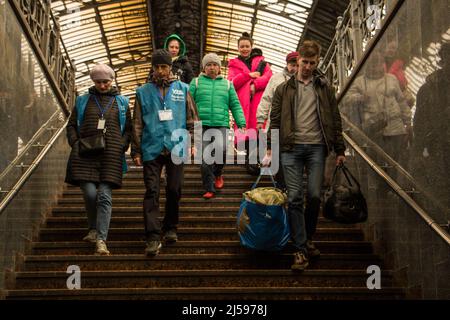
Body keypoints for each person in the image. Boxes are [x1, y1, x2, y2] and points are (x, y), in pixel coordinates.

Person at [265, 40, 346, 271]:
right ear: (297, 60)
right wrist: (271, 148)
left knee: (314, 196)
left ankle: (308, 237)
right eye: (304, 62)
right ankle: (300, 249)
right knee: (294, 198)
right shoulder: (284, 89)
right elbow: (276, 120)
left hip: (317, 148)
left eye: (312, 62)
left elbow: (335, 119)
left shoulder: (325, 88)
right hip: (291, 149)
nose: (308, 66)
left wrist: (340, 149)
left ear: (317, 61)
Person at [132, 49, 199, 256]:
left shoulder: (183, 88)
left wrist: (193, 142)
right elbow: (136, 123)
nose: (161, 71)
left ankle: (170, 227)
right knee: (152, 191)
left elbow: (192, 118)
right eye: (157, 67)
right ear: (152, 68)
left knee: (174, 189)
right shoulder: (142, 91)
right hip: (151, 147)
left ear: (170, 67)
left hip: (176, 145)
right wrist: (136, 149)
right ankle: (152, 237)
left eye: (164, 66)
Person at [65, 64, 132, 255]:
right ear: (93, 81)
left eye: (106, 82)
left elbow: (128, 128)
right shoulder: (83, 101)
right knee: (89, 193)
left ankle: (101, 239)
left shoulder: (122, 102)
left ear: (112, 81)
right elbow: (71, 125)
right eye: (98, 82)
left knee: (104, 196)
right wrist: (75, 142)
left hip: (110, 155)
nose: (102, 85)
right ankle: (93, 228)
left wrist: (122, 144)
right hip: (85, 154)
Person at [189, 53, 246, 199]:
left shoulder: (227, 84)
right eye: (208, 65)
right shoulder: (196, 83)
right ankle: (209, 188)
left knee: (222, 150)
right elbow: (188, 105)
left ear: (219, 68)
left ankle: (218, 173)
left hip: (221, 124)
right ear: (204, 67)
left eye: (215, 65)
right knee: (205, 160)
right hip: (201, 125)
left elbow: (235, 104)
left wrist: (241, 122)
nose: (212, 67)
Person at [345, 51, 412, 163]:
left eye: (379, 64)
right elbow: (347, 98)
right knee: (378, 163)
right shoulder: (359, 82)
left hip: (396, 128)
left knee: (398, 163)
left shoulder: (391, 79)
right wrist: (360, 97)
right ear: (367, 66)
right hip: (374, 131)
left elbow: (401, 101)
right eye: (373, 65)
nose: (376, 68)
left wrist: (408, 122)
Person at [413, 42, 450, 210]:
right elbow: (420, 121)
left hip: (437, 144)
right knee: (442, 188)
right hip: (438, 144)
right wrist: (418, 150)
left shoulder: (428, 88)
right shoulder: (428, 89)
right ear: (443, 60)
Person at [227, 32, 272, 168]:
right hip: (242, 105)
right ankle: (250, 162)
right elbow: (232, 82)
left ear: (251, 47)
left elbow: (269, 78)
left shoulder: (262, 63)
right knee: (245, 134)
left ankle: (255, 161)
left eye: (247, 46)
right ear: (238, 48)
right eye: (242, 46)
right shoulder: (233, 65)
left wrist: (254, 84)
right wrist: (249, 75)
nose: (244, 49)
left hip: (258, 104)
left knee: (257, 132)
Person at [256, 51, 299, 189]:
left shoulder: (303, 80)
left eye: (297, 65)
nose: (295, 68)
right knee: (278, 155)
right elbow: (266, 98)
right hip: (277, 123)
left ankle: (288, 185)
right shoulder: (276, 79)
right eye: (292, 65)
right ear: (287, 64)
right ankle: (282, 186)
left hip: (297, 126)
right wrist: (260, 118)